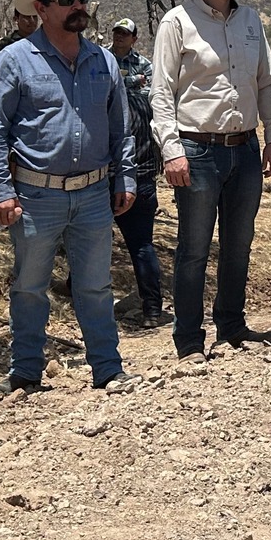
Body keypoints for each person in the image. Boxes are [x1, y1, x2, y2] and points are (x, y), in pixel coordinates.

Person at [0, 0, 138, 394]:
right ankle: (25, 373)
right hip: (34, 195)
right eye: (65, 0)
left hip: (93, 194)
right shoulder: (14, 59)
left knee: (96, 286)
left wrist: (126, 178)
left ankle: (108, 369)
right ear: (42, 8)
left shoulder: (103, 61)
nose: (77, 6)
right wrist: (0, 190)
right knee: (30, 287)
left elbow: (121, 127)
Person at [150, 0, 271, 363]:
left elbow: (265, 83)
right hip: (197, 149)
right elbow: (161, 92)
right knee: (193, 248)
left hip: (244, 148)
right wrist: (171, 149)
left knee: (239, 242)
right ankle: (189, 339)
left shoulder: (250, 21)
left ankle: (231, 324)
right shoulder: (177, 22)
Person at [108, 17, 167, 329]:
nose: (119, 37)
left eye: (125, 33)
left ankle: (152, 307)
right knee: (90, 239)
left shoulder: (146, 68)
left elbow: (159, 105)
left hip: (141, 170)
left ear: (134, 37)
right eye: (116, 32)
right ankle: (81, 297)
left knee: (141, 243)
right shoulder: (101, 61)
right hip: (102, 173)